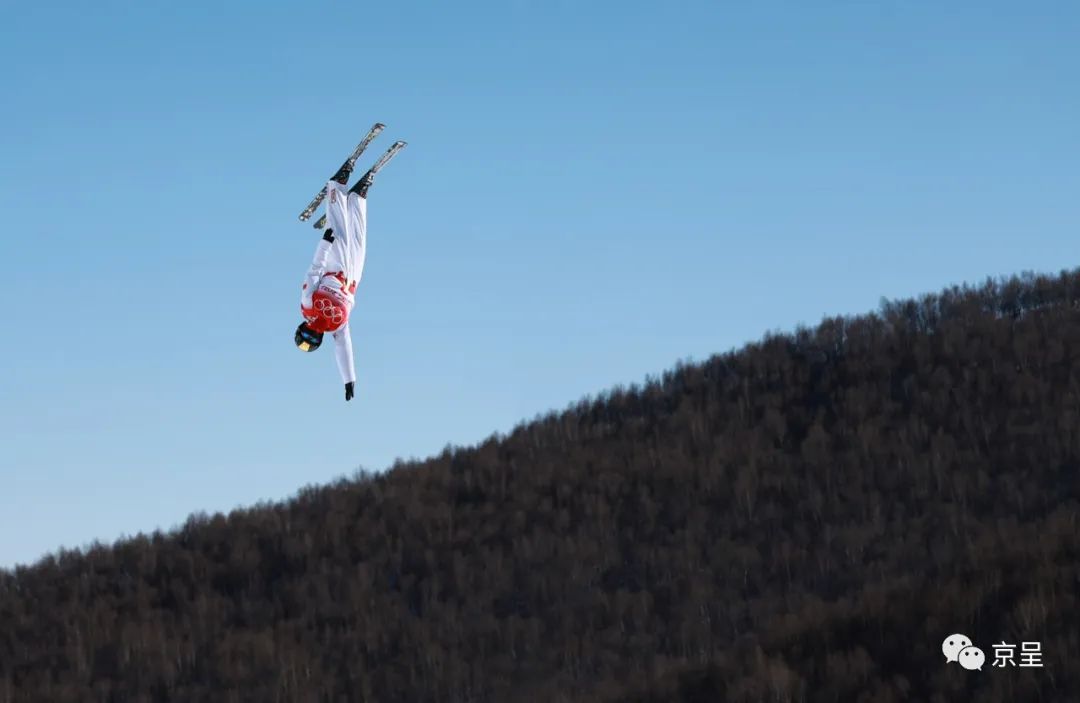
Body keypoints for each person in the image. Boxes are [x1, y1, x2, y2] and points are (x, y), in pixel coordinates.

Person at [294, 162, 375, 401]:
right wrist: (349, 379)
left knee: (338, 230)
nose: (312, 335)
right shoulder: (335, 328)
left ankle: (337, 187)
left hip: (334, 268)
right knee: (359, 242)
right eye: (312, 341)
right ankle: (358, 199)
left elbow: (314, 270)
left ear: (302, 328)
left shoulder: (307, 304)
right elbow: (344, 348)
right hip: (352, 280)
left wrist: (324, 245)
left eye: (306, 336)